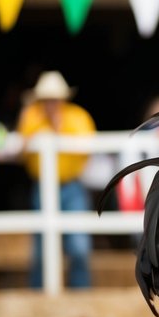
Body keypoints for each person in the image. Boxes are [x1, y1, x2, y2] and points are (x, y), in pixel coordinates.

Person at [17, 70, 96, 289]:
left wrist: (58, 127)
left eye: (54, 99)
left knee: (79, 246)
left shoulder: (78, 116)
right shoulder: (31, 116)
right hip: (42, 187)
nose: (51, 103)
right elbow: (20, 151)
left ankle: (81, 292)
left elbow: (86, 149)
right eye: (46, 99)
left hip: (71, 185)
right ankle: (39, 293)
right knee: (42, 247)